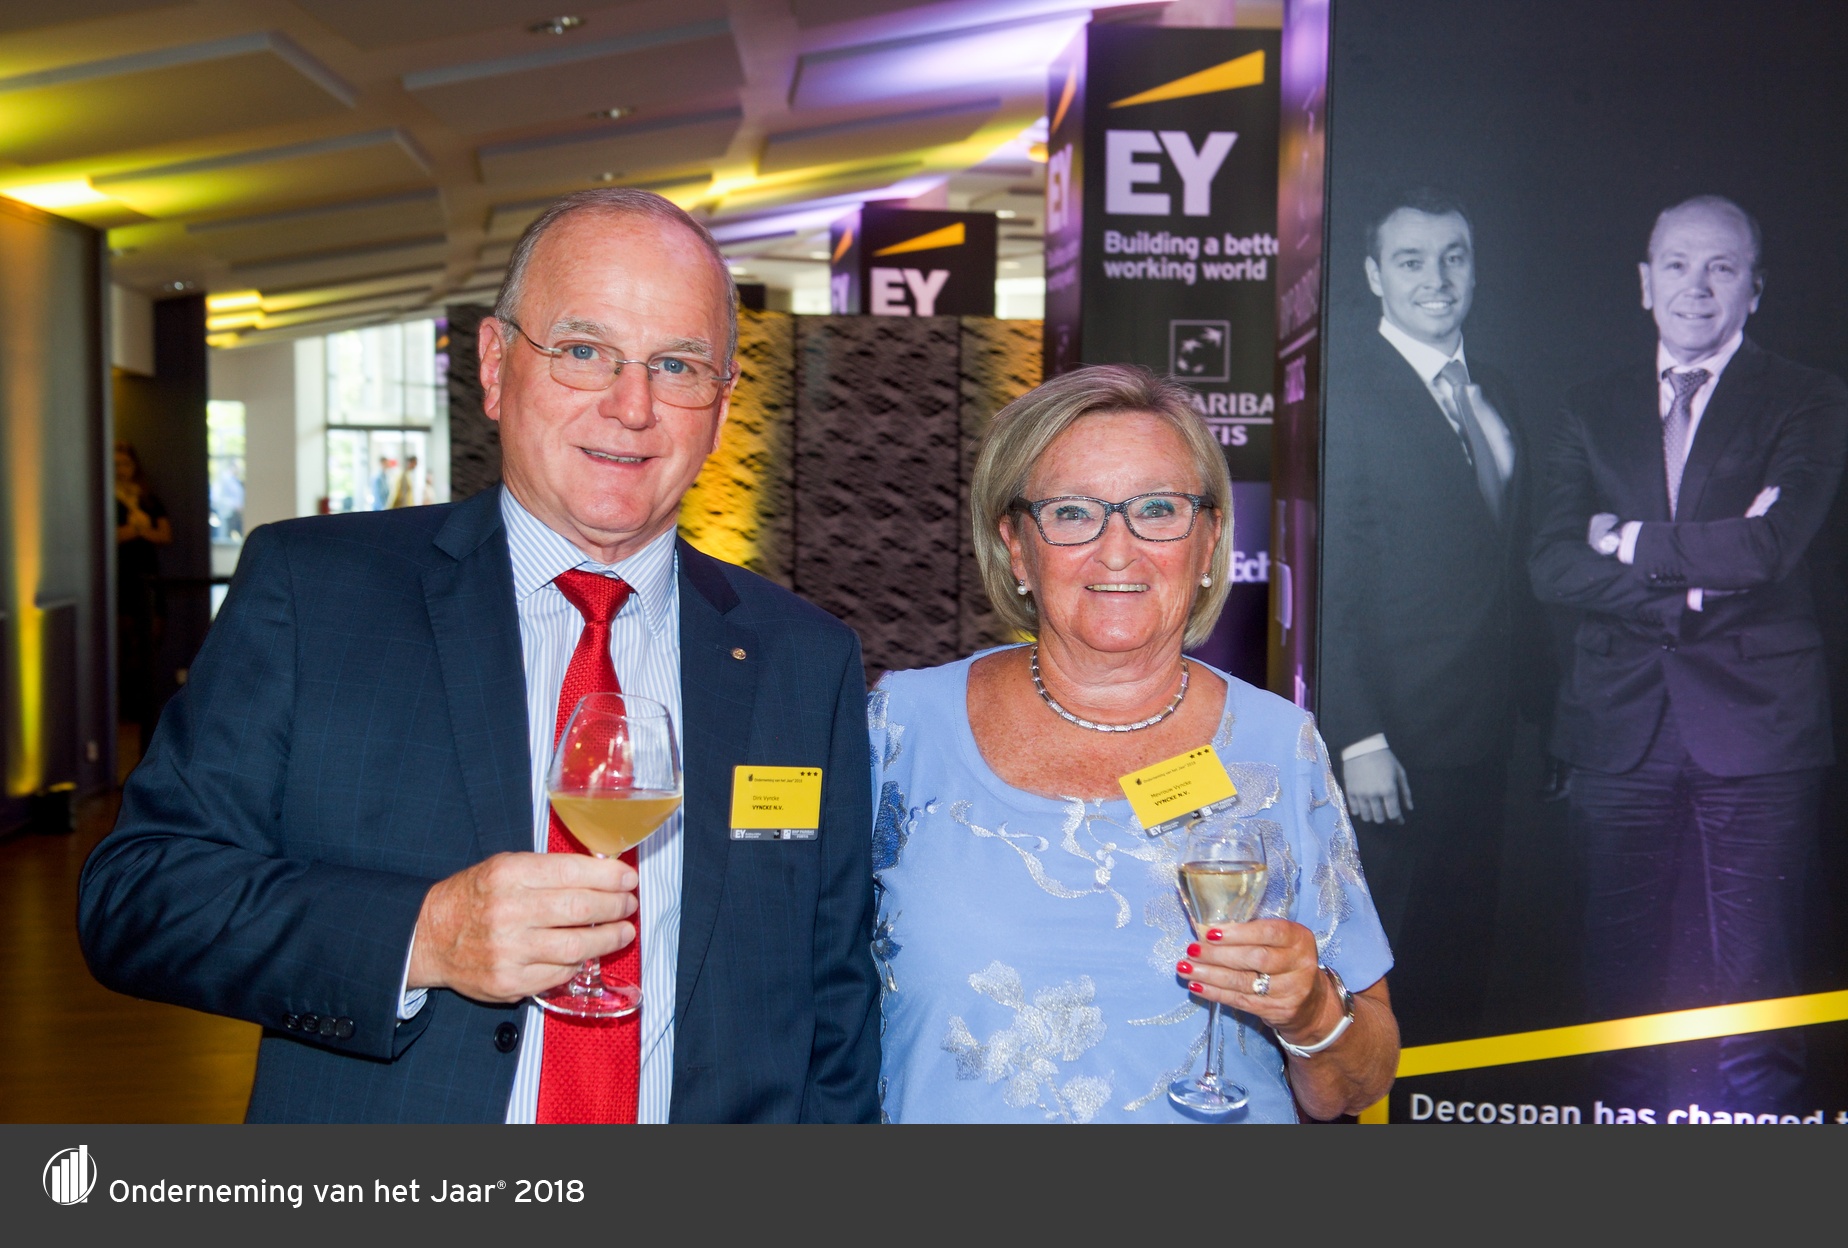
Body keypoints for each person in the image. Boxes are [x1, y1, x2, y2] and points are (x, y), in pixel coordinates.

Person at [80, 188, 881, 1124]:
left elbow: (835, 1000)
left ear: (721, 402)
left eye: (676, 365)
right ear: (496, 367)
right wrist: (425, 937)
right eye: (583, 351)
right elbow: (137, 897)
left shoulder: (803, 657)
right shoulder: (316, 593)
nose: (632, 406)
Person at [871, 364, 1397, 1123]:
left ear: (1209, 540)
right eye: (1072, 512)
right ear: (1016, 546)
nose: (1117, 550)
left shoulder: (1280, 746)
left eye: (1157, 509)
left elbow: (1359, 1083)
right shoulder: (900, 728)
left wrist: (1312, 1011)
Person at [1530, 195, 1848, 1110]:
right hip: (1616, 728)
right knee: (1614, 983)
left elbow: (1769, 547)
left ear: (1756, 288)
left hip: (1759, 729)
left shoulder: (1810, 397)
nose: (1696, 287)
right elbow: (1551, 563)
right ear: (1645, 283)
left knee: (1757, 983)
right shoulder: (1587, 406)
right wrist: (1700, 579)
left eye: (1721, 267)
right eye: (1676, 265)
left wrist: (1625, 539)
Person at [1318, 189, 1528, 1043]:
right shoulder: (1343, 393)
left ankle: (1441, 1110)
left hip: (1488, 738)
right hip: (1394, 749)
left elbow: (1504, 567)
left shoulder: (1495, 387)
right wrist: (1359, 736)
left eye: (1454, 257)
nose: (1436, 279)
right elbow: (1332, 577)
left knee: (1461, 959)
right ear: (1375, 275)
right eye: (1411, 260)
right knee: (1389, 971)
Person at [114, 442, 172, 755]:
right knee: (124, 645)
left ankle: (144, 706)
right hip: (122, 579)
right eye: (116, 465)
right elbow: (110, 536)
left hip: (149, 577)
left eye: (125, 464)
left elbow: (164, 534)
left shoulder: (148, 497)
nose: (121, 470)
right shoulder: (106, 497)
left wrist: (138, 529)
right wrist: (135, 529)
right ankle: (125, 710)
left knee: (150, 640)